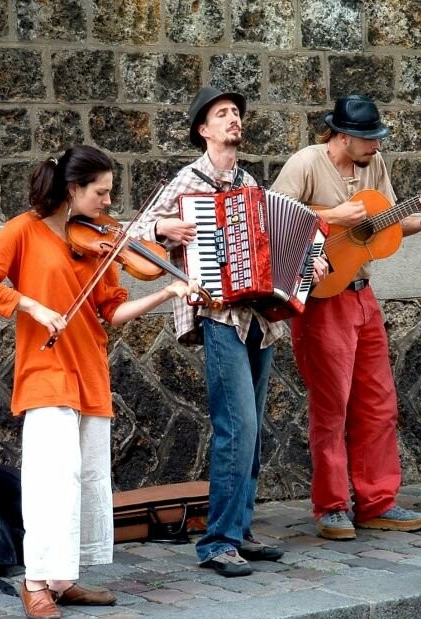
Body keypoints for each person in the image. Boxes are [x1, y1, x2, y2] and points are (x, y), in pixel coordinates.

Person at [0, 145, 197, 619]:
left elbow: (113, 312)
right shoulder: (23, 230)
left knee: (85, 479)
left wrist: (167, 291)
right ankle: (34, 584)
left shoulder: (101, 242)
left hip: (90, 368)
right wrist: (32, 306)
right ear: (72, 190)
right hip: (45, 370)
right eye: (102, 192)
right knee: (52, 480)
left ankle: (63, 580)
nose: (111, 203)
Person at [130, 87, 326, 577]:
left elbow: (284, 242)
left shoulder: (249, 182)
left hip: (258, 319)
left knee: (253, 430)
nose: (234, 120)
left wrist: (311, 265)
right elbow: (131, 234)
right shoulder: (185, 181)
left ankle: (240, 529)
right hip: (218, 317)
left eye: (236, 113)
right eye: (223, 114)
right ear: (204, 129)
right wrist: (165, 231)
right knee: (234, 428)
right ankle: (216, 541)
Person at [270, 94, 421, 540]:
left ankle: (378, 501)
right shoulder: (306, 163)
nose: (376, 146)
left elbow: (387, 221)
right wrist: (332, 215)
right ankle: (331, 507)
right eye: (368, 139)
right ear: (342, 135)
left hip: (363, 295)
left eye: (378, 138)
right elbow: (269, 219)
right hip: (323, 300)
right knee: (332, 406)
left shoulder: (373, 167)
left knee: (378, 401)